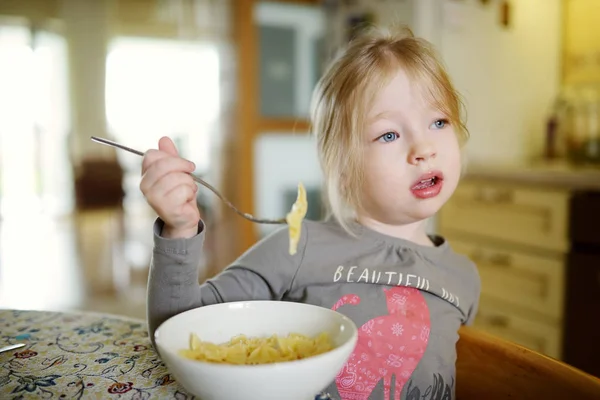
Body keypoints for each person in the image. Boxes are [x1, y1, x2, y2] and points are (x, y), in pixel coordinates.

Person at [140, 24, 480, 400]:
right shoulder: (297, 248)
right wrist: (179, 230)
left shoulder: (464, 277)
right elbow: (178, 331)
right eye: (389, 134)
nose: (423, 147)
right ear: (344, 169)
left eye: (439, 121)